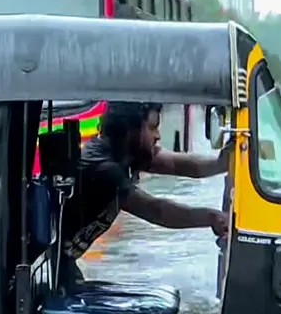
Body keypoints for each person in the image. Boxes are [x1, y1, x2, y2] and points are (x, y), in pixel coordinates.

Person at [58, 101, 230, 291]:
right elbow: (157, 211)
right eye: (153, 128)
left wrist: (221, 164)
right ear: (129, 130)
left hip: (62, 261)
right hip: (48, 262)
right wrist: (211, 217)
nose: (158, 135)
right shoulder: (103, 168)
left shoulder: (125, 153)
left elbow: (179, 164)